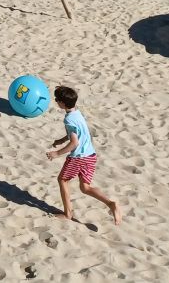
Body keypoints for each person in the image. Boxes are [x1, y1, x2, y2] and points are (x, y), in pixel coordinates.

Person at [47, 85, 120, 225]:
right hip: (91, 155)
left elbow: (74, 142)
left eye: (56, 99)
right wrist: (62, 139)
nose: (55, 101)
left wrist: (57, 153)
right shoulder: (77, 114)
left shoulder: (68, 119)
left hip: (78, 157)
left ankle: (68, 214)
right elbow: (77, 132)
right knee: (85, 187)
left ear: (62, 103)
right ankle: (111, 204)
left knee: (62, 180)